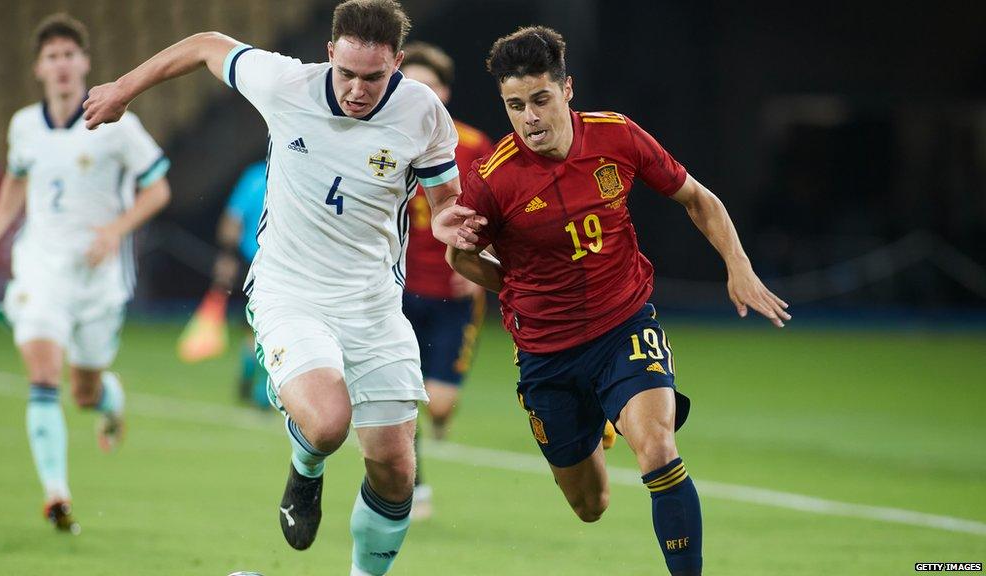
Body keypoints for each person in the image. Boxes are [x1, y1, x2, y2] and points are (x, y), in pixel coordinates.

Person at [82, 1, 476, 574]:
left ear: (396, 64)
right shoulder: (287, 83)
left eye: (374, 78)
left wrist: (451, 228)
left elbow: (443, 206)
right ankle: (306, 466)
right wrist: (123, 87)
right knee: (327, 422)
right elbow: (206, 44)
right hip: (289, 291)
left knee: (395, 468)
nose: (358, 90)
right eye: (347, 73)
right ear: (329, 55)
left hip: (373, 304)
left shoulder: (422, 113)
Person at [445, 27, 791, 576]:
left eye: (540, 100)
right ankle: (600, 422)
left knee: (656, 447)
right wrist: (517, 288)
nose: (530, 117)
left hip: (623, 325)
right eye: (515, 106)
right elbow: (461, 261)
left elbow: (698, 199)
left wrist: (738, 266)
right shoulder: (491, 181)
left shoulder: (617, 137)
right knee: (591, 506)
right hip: (546, 354)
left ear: (568, 90)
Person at [0, 13, 171, 534]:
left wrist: (115, 230)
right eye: (51, 57)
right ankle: (56, 494)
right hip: (41, 267)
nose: (60, 65)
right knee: (41, 372)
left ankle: (110, 398)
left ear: (84, 63)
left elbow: (159, 189)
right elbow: (15, 182)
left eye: (68, 55)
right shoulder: (23, 126)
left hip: (98, 276)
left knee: (83, 391)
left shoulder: (116, 123)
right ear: (38, 68)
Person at [397, 41, 494, 520]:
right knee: (402, 392)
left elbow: (501, 213)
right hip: (395, 292)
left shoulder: (475, 146)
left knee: (437, 405)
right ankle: (414, 486)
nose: (419, 94)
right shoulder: (382, 143)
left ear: (444, 94)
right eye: (410, 85)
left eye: (428, 87)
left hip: (455, 294)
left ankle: (438, 419)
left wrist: (485, 268)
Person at [212, 159, 269, 407]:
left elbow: (232, 220)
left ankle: (249, 366)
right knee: (273, 326)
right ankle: (262, 390)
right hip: (281, 262)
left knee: (255, 324)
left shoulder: (255, 176)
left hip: (251, 261)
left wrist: (227, 254)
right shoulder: (302, 173)